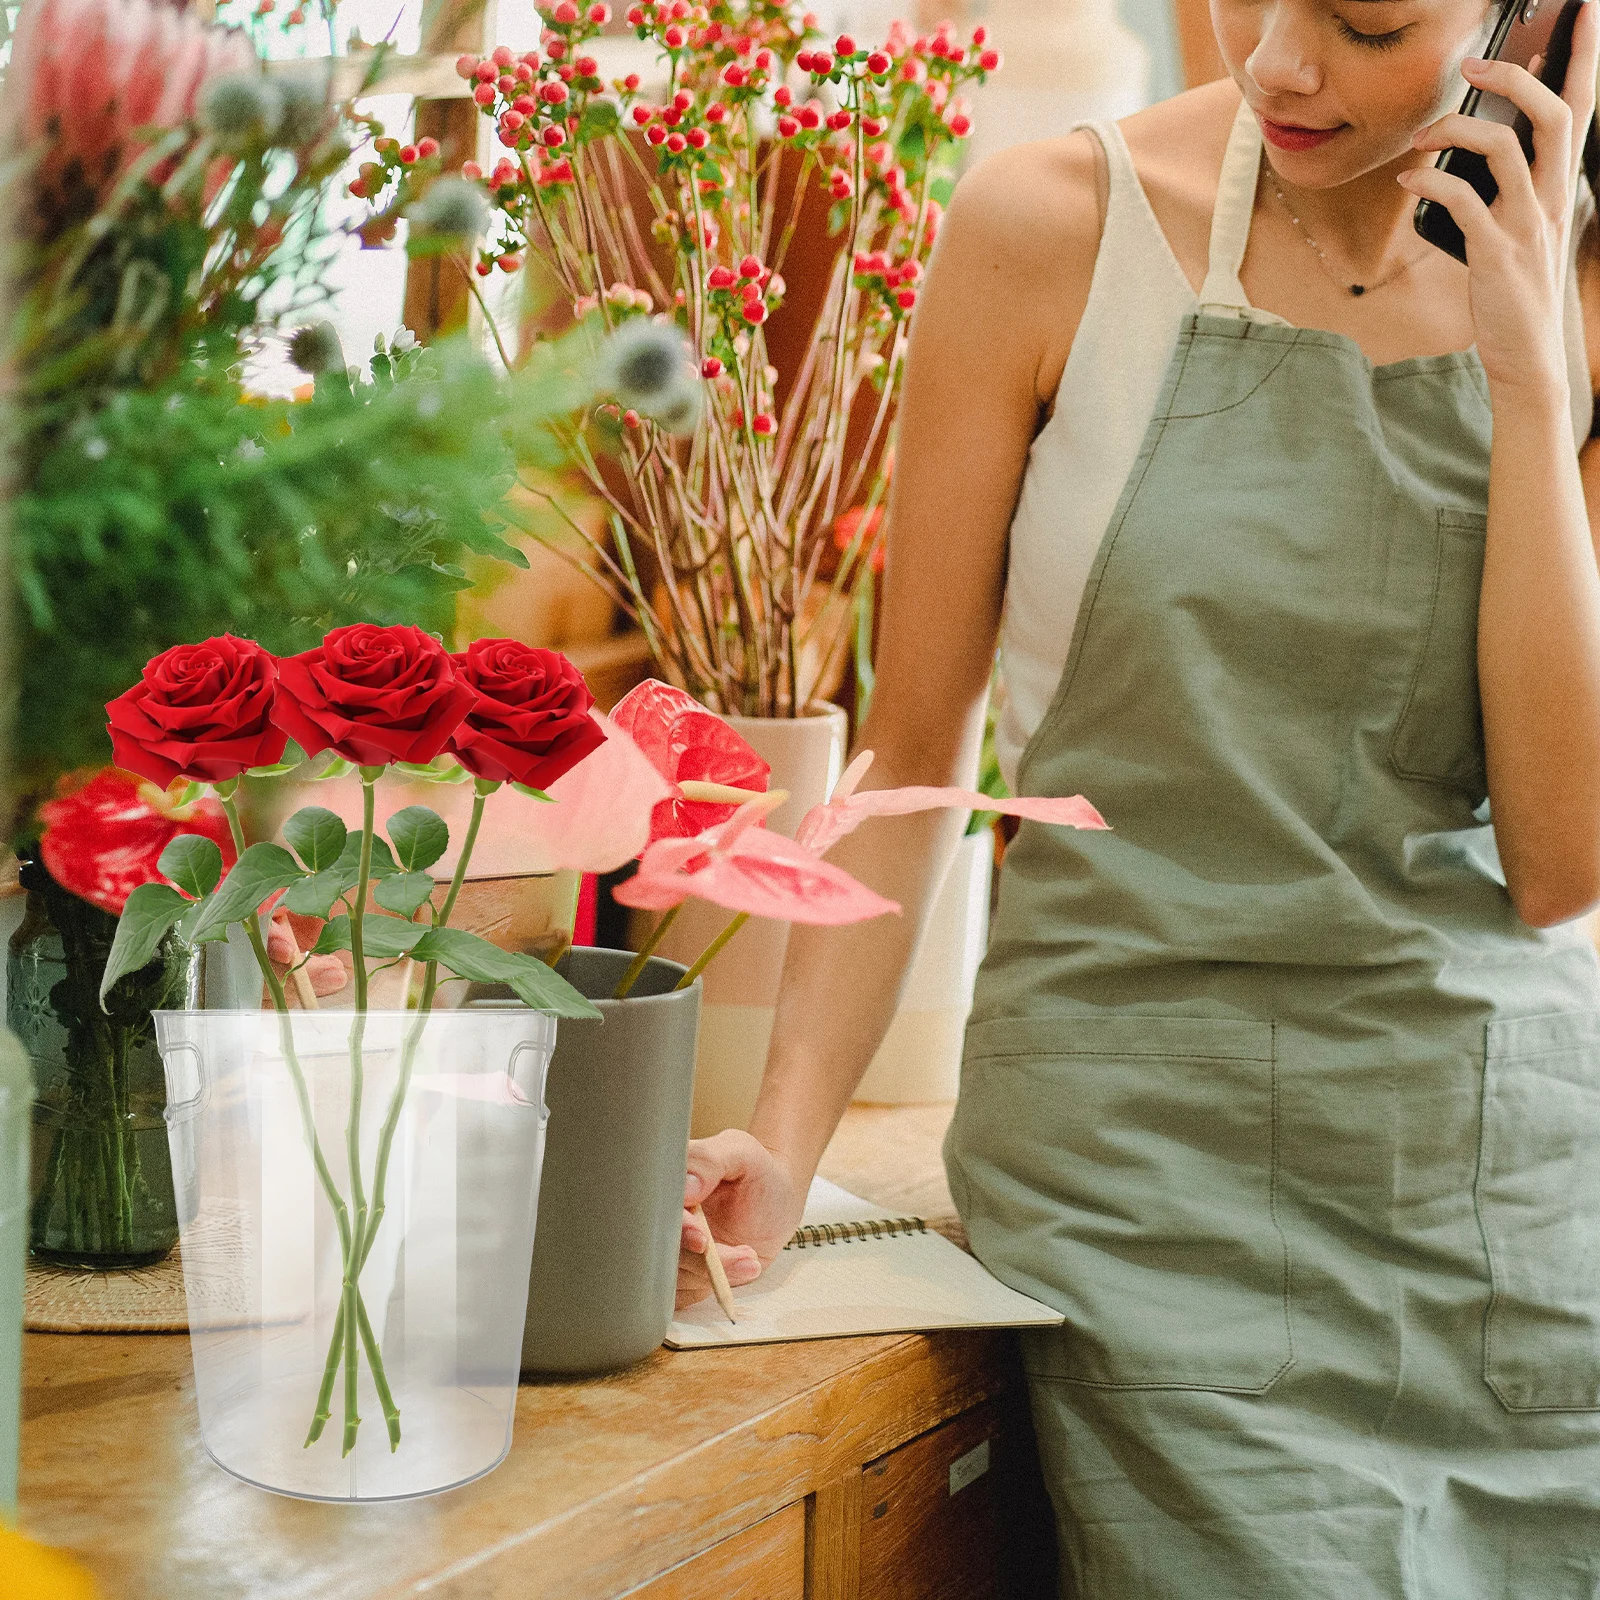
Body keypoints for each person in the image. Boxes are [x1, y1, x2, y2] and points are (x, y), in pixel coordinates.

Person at [676, 0, 1600, 1588]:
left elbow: (1561, 860)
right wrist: (782, 1136)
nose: (1282, 65)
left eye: (1367, 25)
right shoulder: (1050, 228)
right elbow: (913, 761)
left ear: (1542, 25)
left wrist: (1530, 373)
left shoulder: (1577, 289)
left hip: (1500, 1172)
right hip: (1139, 1184)